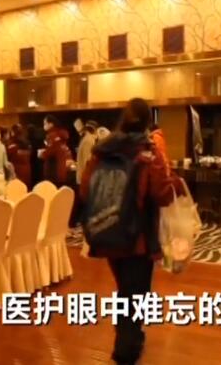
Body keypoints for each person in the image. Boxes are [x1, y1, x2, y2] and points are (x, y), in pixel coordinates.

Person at [80, 98, 183, 365]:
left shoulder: (102, 150)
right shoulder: (147, 152)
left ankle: (130, 337)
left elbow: (85, 189)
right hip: (137, 236)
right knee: (136, 292)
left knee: (126, 288)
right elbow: (161, 193)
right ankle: (126, 349)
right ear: (148, 122)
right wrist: (177, 184)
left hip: (107, 231)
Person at [40, 115, 72, 187]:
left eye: (45, 123)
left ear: (51, 124)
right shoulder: (61, 135)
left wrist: (42, 154)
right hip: (61, 168)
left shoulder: (52, 135)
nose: (44, 126)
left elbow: (50, 151)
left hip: (53, 170)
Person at [7, 124, 32, 188]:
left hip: (16, 171)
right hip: (27, 171)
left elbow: (7, 157)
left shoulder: (12, 145)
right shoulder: (27, 144)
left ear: (13, 132)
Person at [76, 120, 98, 185]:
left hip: (84, 177)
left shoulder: (86, 139)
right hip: (86, 178)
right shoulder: (89, 140)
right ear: (95, 130)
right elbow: (87, 161)